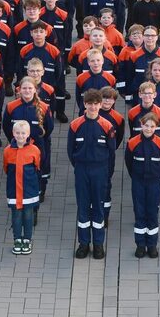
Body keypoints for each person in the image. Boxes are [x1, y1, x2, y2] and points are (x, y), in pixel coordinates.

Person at [68, 89, 115, 259]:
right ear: (85, 105)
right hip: (82, 170)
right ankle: (83, 243)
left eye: (96, 104)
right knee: (83, 208)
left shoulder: (107, 126)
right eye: (90, 104)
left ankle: (98, 244)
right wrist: (79, 166)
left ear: (101, 105)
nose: (93, 107)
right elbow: (70, 150)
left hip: (100, 171)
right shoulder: (75, 125)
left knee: (98, 208)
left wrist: (107, 174)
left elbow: (111, 153)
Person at [124, 113, 160, 258]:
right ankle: (140, 245)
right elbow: (129, 163)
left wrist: (156, 177)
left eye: (152, 126)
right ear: (141, 125)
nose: (148, 129)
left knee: (152, 213)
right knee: (139, 212)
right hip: (138, 182)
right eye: (146, 125)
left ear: (156, 127)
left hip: (154, 183)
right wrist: (136, 176)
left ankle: (152, 245)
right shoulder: (132, 142)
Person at [3, 119, 42, 255]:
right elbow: (6, 167)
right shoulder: (8, 151)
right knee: (16, 216)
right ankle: (17, 239)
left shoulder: (34, 150)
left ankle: (27, 239)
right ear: (13, 133)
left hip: (29, 190)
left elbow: (37, 167)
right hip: (14, 190)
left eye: (23, 133)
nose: (20, 136)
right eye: (18, 133)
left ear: (28, 134)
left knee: (28, 216)